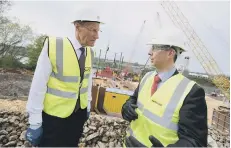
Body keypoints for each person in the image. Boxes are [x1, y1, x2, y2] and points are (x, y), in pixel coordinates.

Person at [25, 8, 103, 147]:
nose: (97, 36)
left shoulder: (89, 52)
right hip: (54, 119)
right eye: (93, 30)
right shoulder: (54, 46)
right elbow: (38, 84)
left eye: (98, 31)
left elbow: (87, 81)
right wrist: (35, 121)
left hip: (78, 117)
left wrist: (88, 106)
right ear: (78, 27)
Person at [121, 27, 208, 147]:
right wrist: (126, 107)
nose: (149, 52)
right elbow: (134, 100)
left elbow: (194, 141)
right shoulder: (147, 77)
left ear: (170, 53)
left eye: (155, 48)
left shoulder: (191, 92)